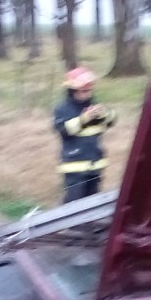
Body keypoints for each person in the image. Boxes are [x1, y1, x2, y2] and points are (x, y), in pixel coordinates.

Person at [53, 67, 116, 203]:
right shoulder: (63, 108)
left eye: (89, 90)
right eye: (83, 90)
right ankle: (71, 224)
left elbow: (112, 120)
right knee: (74, 206)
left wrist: (104, 114)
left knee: (92, 206)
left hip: (95, 164)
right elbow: (63, 129)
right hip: (75, 165)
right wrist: (84, 119)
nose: (87, 94)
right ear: (72, 90)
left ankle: (91, 225)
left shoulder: (95, 106)